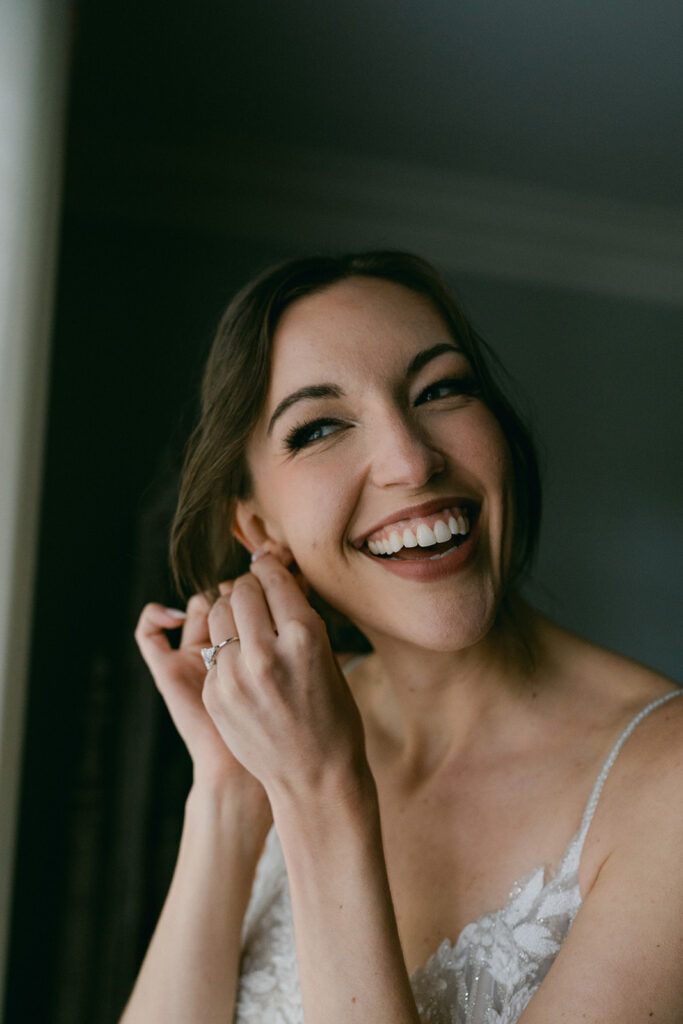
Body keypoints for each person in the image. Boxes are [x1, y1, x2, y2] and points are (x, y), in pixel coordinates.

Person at [121, 251, 682, 1024]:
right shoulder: (282, 729)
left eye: (441, 388)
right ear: (258, 528)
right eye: (318, 427)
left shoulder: (668, 785)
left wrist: (322, 796)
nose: (410, 459)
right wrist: (228, 789)